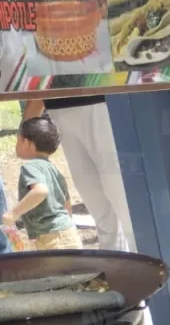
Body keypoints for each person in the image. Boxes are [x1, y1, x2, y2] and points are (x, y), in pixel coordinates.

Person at [23, 97, 133, 252]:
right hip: (59, 105)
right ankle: (114, 258)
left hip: (99, 99)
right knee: (92, 193)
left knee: (119, 190)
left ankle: (143, 255)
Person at [4, 115, 81, 250]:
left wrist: (13, 214)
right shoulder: (54, 170)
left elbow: (40, 191)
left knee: (53, 270)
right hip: (68, 233)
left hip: (52, 239)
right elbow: (67, 206)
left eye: (18, 140)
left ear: (27, 143)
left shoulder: (32, 167)